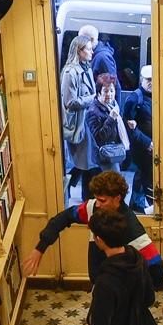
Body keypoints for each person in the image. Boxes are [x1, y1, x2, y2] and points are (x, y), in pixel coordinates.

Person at [24, 169, 163, 285]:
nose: (97, 204)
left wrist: (133, 293)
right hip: (99, 285)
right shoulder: (92, 207)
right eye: (97, 198)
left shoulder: (131, 226)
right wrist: (40, 249)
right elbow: (63, 218)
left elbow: (158, 271)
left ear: (117, 198)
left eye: (102, 200)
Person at [61, 30, 100, 202]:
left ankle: (82, 195)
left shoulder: (87, 69)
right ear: (79, 51)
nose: (92, 52)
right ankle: (87, 202)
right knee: (89, 165)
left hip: (87, 122)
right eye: (89, 49)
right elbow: (70, 102)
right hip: (79, 125)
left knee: (89, 164)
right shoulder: (71, 72)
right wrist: (92, 99)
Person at [119, 64, 156, 212]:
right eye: (148, 79)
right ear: (142, 79)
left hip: (151, 144)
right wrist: (147, 143)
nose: (151, 82)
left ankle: (138, 205)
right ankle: (141, 205)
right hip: (141, 146)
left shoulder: (154, 96)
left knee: (145, 175)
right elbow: (129, 128)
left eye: (153, 79)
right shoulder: (134, 99)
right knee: (145, 175)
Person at [89, 70, 132, 179]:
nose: (110, 95)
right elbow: (99, 137)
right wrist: (111, 118)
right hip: (105, 155)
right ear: (99, 92)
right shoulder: (93, 111)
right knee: (114, 186)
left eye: (112, 91)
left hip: (115, 151)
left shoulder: (112, 105)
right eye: (106, 91)